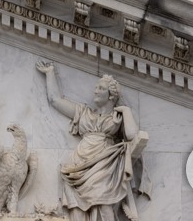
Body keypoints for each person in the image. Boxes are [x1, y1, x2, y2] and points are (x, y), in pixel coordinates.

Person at [35, 62, 150, 221]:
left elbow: (131, 135)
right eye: (96, 87)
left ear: (111, 95)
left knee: (103, 202)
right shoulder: (84, 113)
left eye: (101, 88)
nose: (96, 90)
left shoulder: (116, 117)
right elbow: (55, 100)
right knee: (76, 206)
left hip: (104, 162)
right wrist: (49, 73)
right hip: (79, 163)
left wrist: (126, 110)